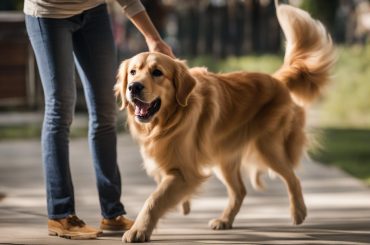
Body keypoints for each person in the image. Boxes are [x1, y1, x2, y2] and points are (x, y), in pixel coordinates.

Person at [24, 0, 174, 240]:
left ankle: (112, 212)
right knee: (60, 110)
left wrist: (153, 37)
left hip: (93, 11)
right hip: (48, 13)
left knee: (105, 112)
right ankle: (61, 214)